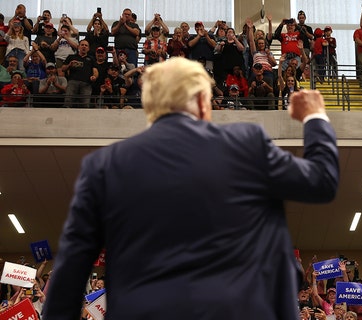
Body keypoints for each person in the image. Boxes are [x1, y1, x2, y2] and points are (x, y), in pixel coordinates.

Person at [41, 57, 339, 320]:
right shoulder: (247, 143)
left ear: (151, 106)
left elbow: (71, 270)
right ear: (200, 100)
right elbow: (322, 181)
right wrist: (315, 116)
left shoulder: (104, 166)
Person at [61, 39, 98, 108]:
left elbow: (95, 71)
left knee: (85, 104)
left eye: (86, 45)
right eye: (82, 45)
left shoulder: (91, 59)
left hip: (86, 83)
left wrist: (94, 77)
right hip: (72, 82)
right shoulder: (71, 57)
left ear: (88, 48)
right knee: (68, 102)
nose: (84, 47)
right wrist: (69, 65)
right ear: (78, 47)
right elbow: (63, 69)